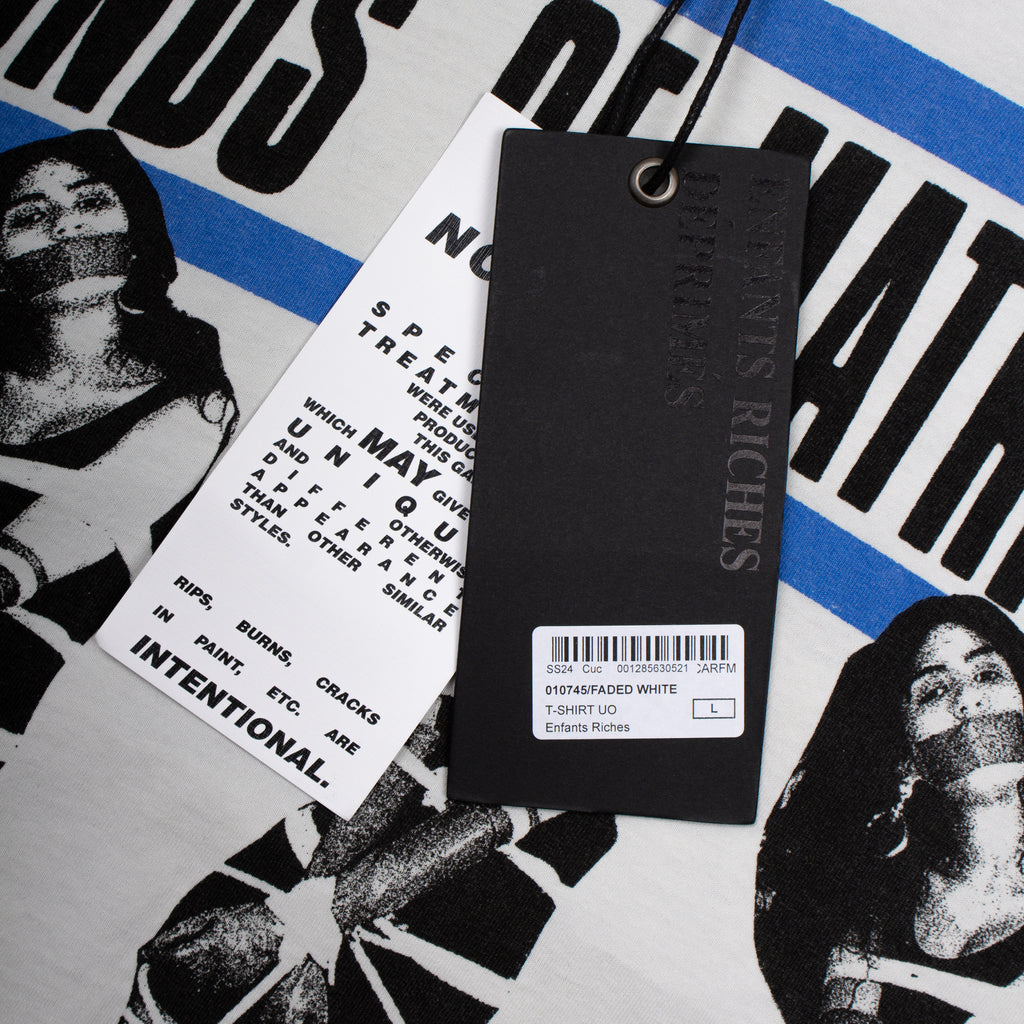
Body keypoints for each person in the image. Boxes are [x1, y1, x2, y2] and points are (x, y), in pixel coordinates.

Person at [0, 129, 236, 750]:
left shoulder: (194, 400)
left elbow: (73, 525)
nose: (66, 228)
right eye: (28, 216)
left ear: (137, 233)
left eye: (90, 203)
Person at [755, 594, 1024, 1023]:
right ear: (907, 746)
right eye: (934, 690)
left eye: (987, 674)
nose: (967, 701)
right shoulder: (867, 903)